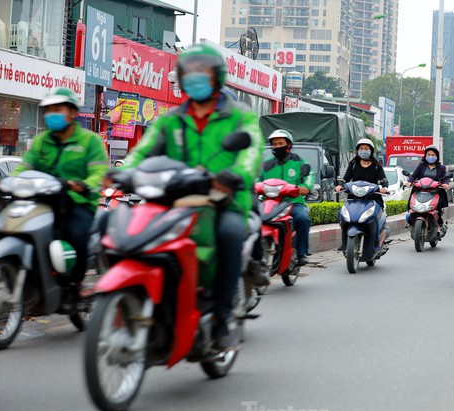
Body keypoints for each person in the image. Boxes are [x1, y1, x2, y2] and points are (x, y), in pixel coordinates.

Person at [118, 44, 264, 350]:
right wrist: (122, 172)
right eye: (190, 73)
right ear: (182, 79)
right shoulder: (170, 120)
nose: (196, 78)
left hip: (223, 199)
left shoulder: (240, 116)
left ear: (216, 77)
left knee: (228, 235)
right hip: (173, 198)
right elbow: (143, 151)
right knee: (126, 229)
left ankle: (222, 318)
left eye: (203, 72)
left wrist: (237, 175)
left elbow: (251, 151)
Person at [0, 87, 109, 293]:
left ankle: (75, 284)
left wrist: (84, 184)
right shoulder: (41, 141)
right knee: (8, 226)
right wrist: (4, 182)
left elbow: (99, 172)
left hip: (77, 203)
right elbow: (23, 169)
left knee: (77, 236)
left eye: (58, 109)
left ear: (72, 113)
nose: (52, 114)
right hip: (44, 202)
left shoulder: (91, 141)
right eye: (48, 110)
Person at [258, 129, 314, 265]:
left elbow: (308, 178)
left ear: (288, 145)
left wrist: (304, 188)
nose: (277, 147)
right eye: (274, 144)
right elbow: (257, 180)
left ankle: (301, 253)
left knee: (302, 219)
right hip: (270, 203)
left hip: (293, 203)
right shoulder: (266, 164)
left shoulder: (299, 162)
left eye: (280, 143)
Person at [335, 139, 388, 250]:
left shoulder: (376, 166)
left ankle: (376, 243)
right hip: (354, 198)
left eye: (366, 148)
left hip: (373, 198)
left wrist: (384, 187)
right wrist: (340, 185)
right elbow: (346, 178)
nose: (363, 151)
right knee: (342, 215)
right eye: (361, 148)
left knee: (374, 218)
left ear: (371, 150)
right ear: (357, 150)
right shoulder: (353, 164)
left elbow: (383, 179)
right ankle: (345, 240)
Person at [404, 145, 450, 233]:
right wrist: (409, 182)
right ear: (425, 156)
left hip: (435, 192)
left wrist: (445, 184)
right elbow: (414, 176)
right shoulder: (422, 166)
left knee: (438, 206)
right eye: (428, 155)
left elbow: (445, 178)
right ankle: (411, 220)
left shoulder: (441, 168)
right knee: (410, 203)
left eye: (433, 155)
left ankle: (439, 224)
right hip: (421, 191)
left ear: (437, 156)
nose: (430, 157)